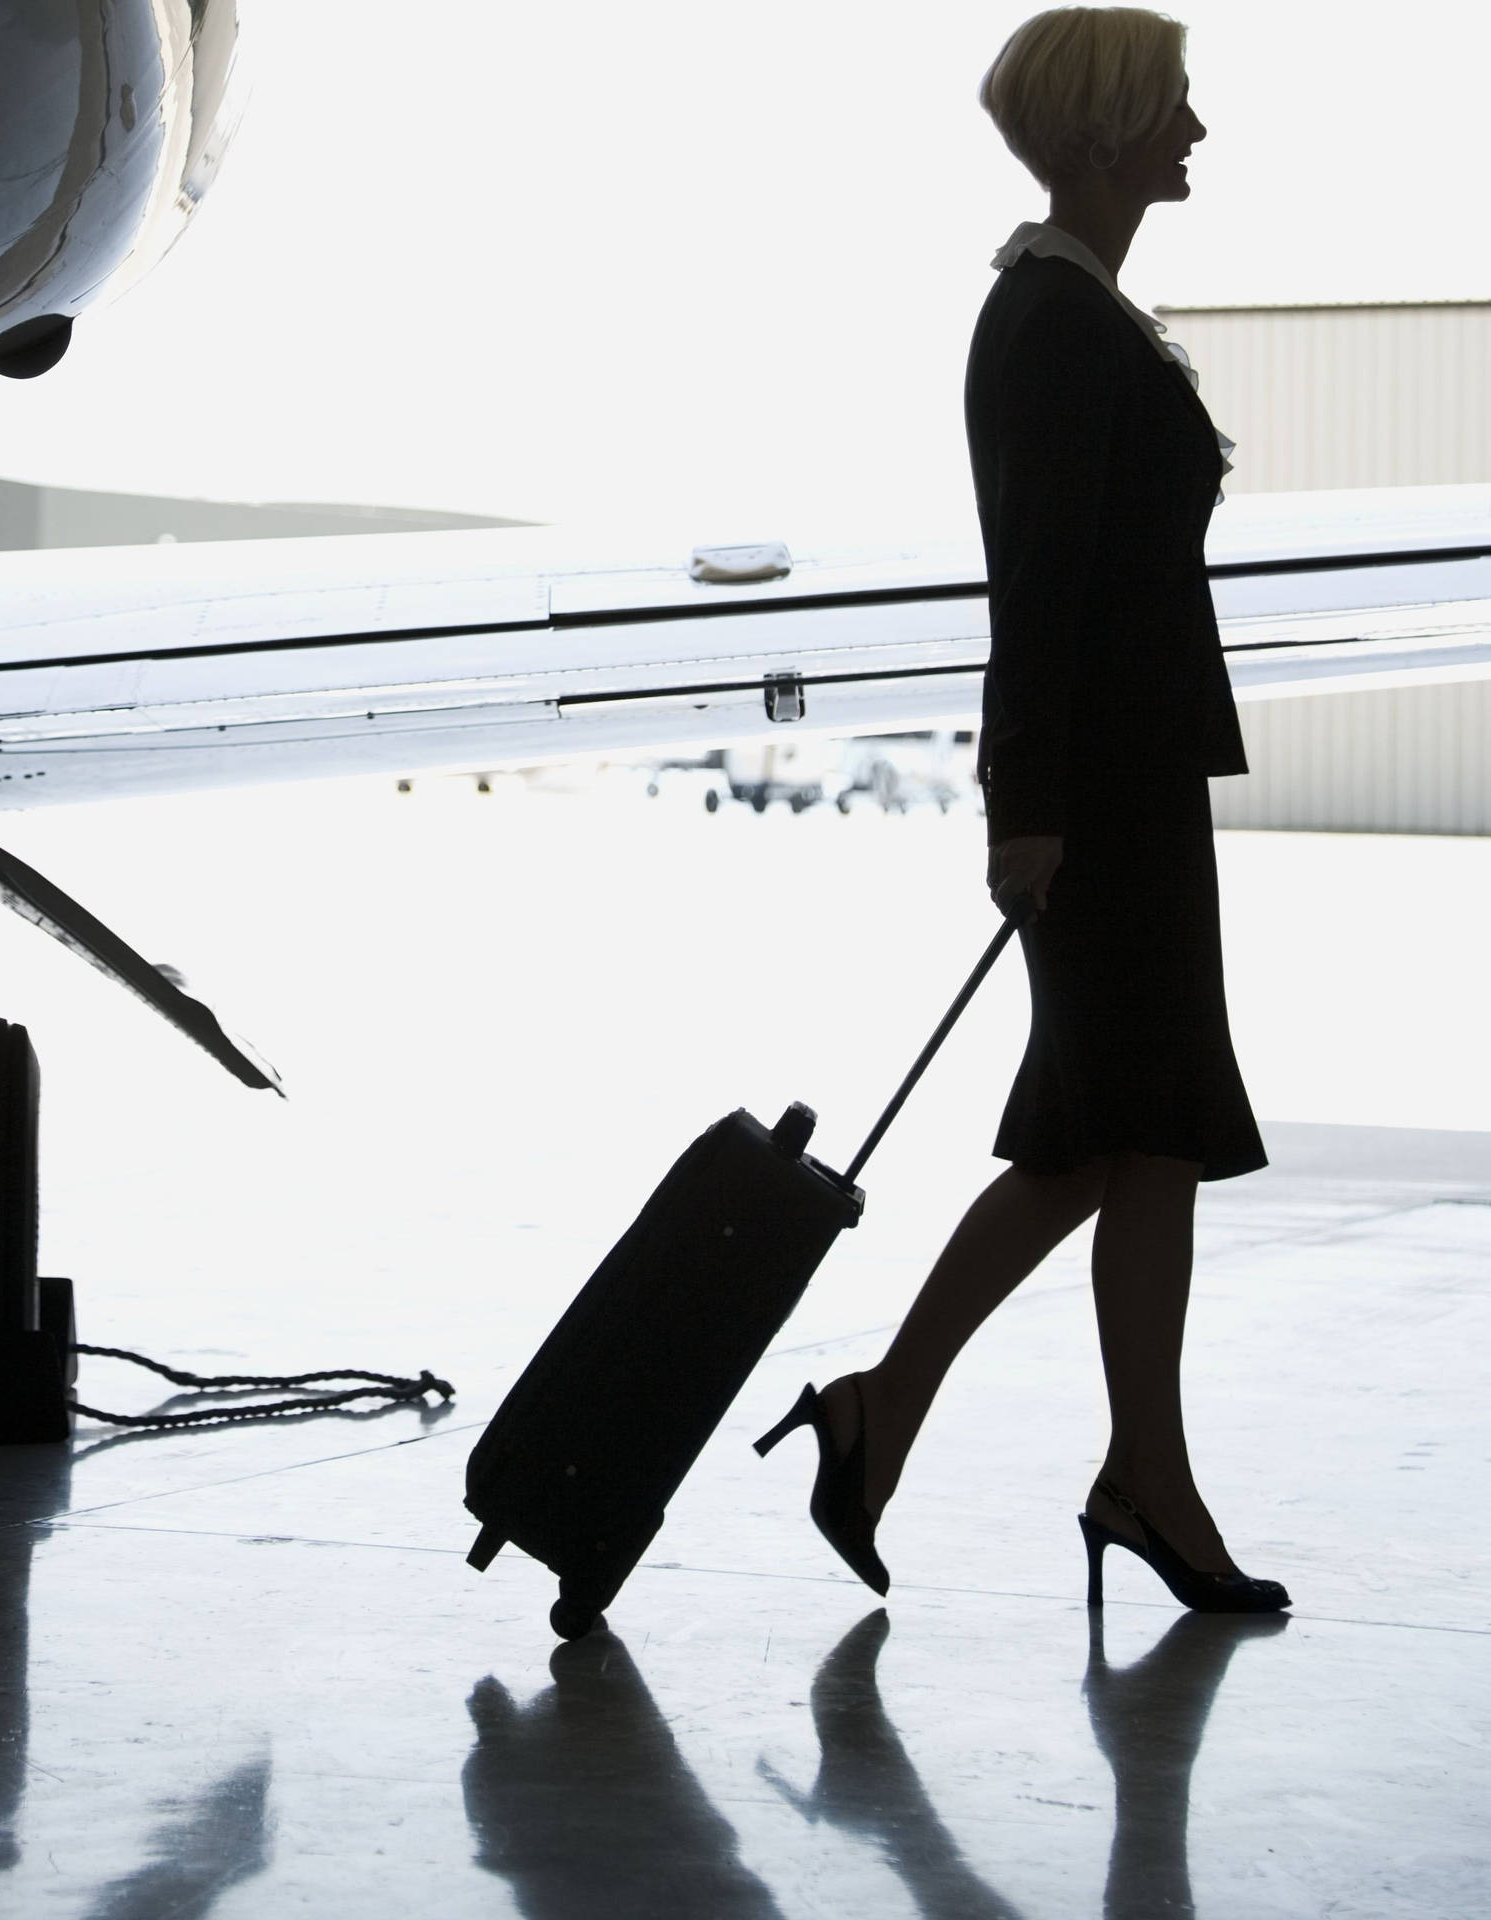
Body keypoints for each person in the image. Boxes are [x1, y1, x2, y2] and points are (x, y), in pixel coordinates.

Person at [755, 6, 1287, 1613]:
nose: (1195, 134)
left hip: (1131, 787)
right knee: (1116, 1140)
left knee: (1132, 1142)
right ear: (1108, 129)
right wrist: (1027, 808)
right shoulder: (1051, 323)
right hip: (1102, 801)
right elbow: (1037, 590)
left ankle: (1029, 1445)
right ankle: (1063, 1458)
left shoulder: (1080, 311)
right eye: (1173, 108)